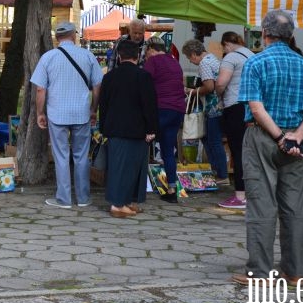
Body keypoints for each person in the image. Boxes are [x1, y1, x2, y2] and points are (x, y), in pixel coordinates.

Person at [231, 10, 303, 285]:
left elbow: (256, 108)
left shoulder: (256, 63)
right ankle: (294, 272)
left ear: (264, 33)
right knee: (294, 208)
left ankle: (260, 273)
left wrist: (278, 137)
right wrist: (295, 136)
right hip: (297, 142)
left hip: (262, 137)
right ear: (291, 36)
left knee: (262, 206)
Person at [30, 21, 101, 209]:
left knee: (61, 156)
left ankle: (64, 199)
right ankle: (84, 198)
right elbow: (97, 86)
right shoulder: (88, 56)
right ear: (74, 35)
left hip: (57, 114)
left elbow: (40, 90)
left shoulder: (48, 57)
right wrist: (93, 109)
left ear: (56, 37)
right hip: (81, 114)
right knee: (81, 155)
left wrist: (40, 113)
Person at [100, 39, 158, 217]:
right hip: (137, 128)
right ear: (138, 56)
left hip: (115, 128)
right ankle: (118, 205)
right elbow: (149, 105)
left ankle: (123, 202)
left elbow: (104, 104)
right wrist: (151, 129)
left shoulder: (109, 77)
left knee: (117, 167)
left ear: (118, 56)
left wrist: (103, 127)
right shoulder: (143, 76)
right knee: (134, 168)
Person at [143, 37, 186, 204]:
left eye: (147, 53)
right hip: (177, 110)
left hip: (161, 108)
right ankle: (172, 188)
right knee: (168, 150)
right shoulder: (175, 63)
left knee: (143, 143)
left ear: (152, 49)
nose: (146, 56)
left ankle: (139, 186)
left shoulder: (153, 62)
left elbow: (144, 84)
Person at [214, 31, 254, 209]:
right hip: (253, 107)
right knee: (249, 152)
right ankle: (251, 192)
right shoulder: (252, 55)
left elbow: (221, 83)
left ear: (226, 44)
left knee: (237, 151)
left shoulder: (231, 57)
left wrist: (219, 94)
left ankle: (240, 195)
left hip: (235, 106)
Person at [181, 39, 228, 185]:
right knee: (210, 139)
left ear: (194, 54)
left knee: (213, 141)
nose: (190, 61)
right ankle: (216, 170)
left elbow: (209, 87)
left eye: (189, 57)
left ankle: (221, 174)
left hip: (213, 108)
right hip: (221, 106)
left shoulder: (204, 63)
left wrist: (193, 91)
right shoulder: (213, 58)